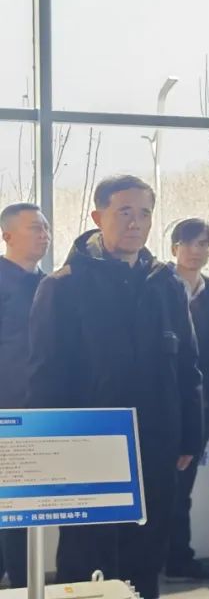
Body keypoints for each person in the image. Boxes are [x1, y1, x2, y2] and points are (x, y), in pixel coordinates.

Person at [27, 175, 203, 599]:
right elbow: (46, 377)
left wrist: (189, 436)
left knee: (146, 558)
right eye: (124, 211)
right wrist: (52, 449)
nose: (135, 223)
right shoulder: (64, 286)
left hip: (155, 444)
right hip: (88, 449)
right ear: (97, 216)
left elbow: (187, 367)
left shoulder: (166, 285)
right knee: (87, 560)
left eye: (144, 213)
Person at [163, 219, 209, 583]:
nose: (196, 251)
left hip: (198, 406)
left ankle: (178, 559)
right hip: (158, 404)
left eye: (203, 244)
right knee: (155, 488)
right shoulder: (157, 286)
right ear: (174, 248)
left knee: (182, 489)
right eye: (188, 243)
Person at [0, 203, 51, 589]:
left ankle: (21, 586)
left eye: (45, 228)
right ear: (7, 235)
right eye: (34, 227)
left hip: (39, 414)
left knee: (24, 510)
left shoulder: (52, 286)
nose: (43, 235)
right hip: (5, 409)